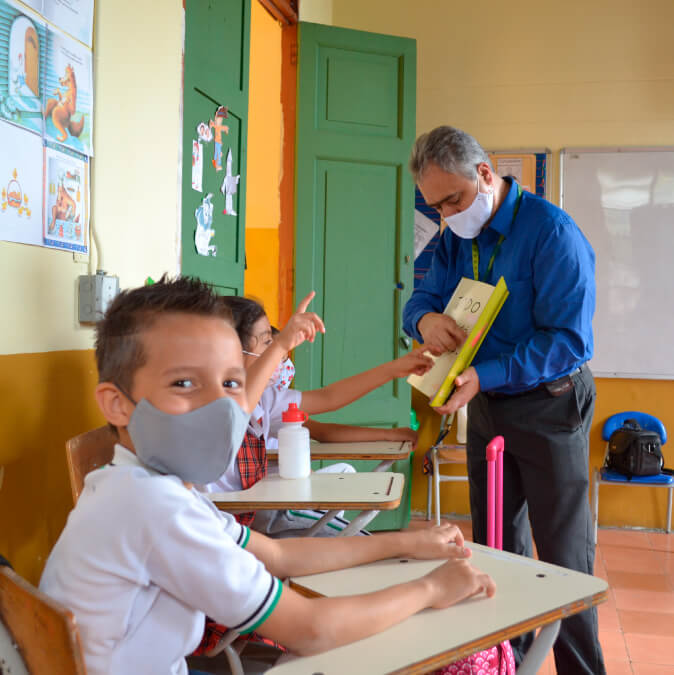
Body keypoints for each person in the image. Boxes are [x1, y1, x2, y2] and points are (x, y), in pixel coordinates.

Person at [39, 275, 495, 675]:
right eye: (183, 383)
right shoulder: (153, 508)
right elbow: (310, 630)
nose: (217, 407)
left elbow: (276, 556)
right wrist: (433, 587)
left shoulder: (147, 485)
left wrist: (406, 542)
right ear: (117, 404)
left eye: (232, 383)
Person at [402, 126, 604, 675]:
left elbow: (569, 341)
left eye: (453, 200)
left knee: (565, 560)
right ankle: (504, 663)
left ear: (486, 175)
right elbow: (420, 293)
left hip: (550, 402)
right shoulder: (454, 237)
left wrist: (485, 373)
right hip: (487, 403)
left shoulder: (551, 233)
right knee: (493, 548)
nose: (446, 216)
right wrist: (425, 318)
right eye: (435, 205)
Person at [200, 294, 432, 537]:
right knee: (358, 541)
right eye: (267, 342)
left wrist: (393, 370)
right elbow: (238, 408)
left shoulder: (267, 399)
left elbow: (329, 397)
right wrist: (282, 344)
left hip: (261, 514)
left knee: (347, 527)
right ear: (233, 352)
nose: (280, 356)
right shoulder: (213, 403)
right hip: (235, 523)